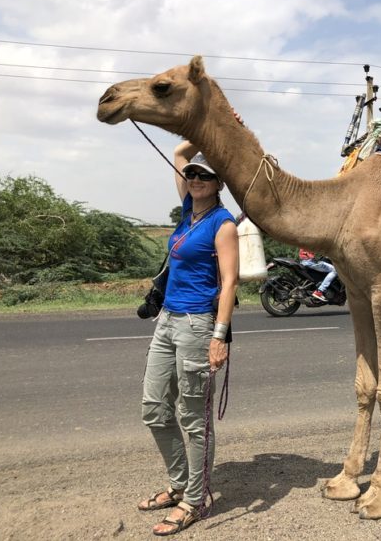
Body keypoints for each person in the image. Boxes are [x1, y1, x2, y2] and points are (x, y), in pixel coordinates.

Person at [137, 141, 239, 536]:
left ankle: (194, 500)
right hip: (166, 321)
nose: (194, 178)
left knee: (193, 418)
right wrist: (204, 130)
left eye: (204, 175)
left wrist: (220, 336)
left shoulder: (222, 223)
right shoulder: (187, 212)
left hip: (199, 324)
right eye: (192, 174)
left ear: (218, 184)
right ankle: (179, 482)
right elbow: (179, 153)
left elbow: (229, 281)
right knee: (153, 408)